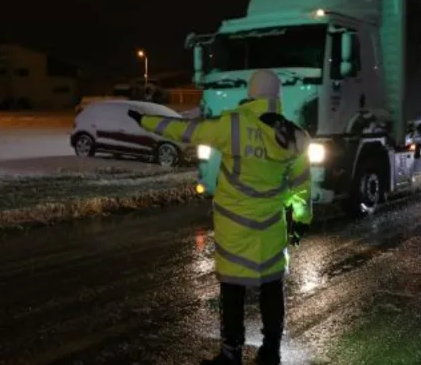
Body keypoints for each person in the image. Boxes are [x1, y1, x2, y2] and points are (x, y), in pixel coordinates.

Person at [127, 69, 312, 365]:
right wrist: (301, 220)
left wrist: (146, 121)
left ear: (251, 93)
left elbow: (186, 130)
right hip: (271, 227)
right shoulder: (295, 136)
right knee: (272, 288)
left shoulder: (233, 126)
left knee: (232, 289)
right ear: (278, 97)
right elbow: (302, 184)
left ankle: (230, 354)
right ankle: (271, 351)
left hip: (234, 227)